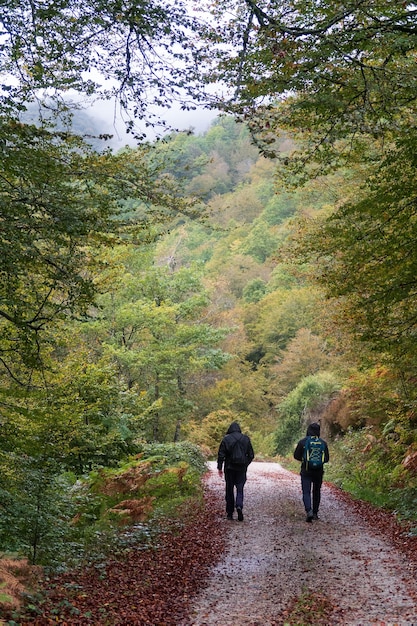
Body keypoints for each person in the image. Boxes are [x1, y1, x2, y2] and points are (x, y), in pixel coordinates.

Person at [217, 421, 254, 521]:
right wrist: (245, 464)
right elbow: (251, 455)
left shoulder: (226, 439)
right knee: (240, 488)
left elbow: (221, 454)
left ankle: (229, 513)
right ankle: (239, 505)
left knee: (229, 490)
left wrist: (219, 467)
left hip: (229, 468)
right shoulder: (245, 439)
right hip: (241, 469)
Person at [293, 422, 329, 523]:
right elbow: (326, 459)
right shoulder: (322, 443)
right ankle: (315, 513)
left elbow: (296, 456)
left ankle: (309, 510)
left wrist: (305, 460)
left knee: (306, 491)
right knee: (316, 491)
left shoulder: (303, 442)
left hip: (306, 470)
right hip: (319, 471)